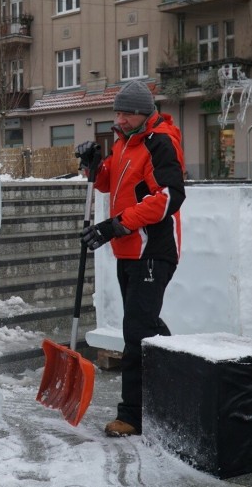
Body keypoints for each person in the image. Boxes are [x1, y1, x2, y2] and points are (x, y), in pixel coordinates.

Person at [75, 79, 186, 438]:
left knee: (136, 330)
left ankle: (133, 415)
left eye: (124, 113)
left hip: (153, 248)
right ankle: (181, 371)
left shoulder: (161, 143)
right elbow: (109, 184)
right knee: (145, 324)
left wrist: (116, 226)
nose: (118, 119)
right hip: (129, 249)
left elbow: (168, 198)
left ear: (141, 113)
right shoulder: (125, 143)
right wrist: (95, 165)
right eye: (117, 112)